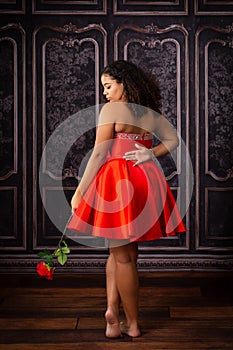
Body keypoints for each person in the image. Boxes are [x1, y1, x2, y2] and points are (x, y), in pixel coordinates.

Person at [67, 60, 185, 338]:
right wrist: (150, 154)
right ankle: (111, 312)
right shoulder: (148, 112)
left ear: (123, 84)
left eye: (108, 86)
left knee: (123, 257)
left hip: (118, 182)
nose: (105, 93)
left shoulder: (112, 109)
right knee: (121, 252)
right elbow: (173, 140)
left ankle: (131, 324)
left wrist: (79, 191)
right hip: (144, 180)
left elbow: (98, 154)